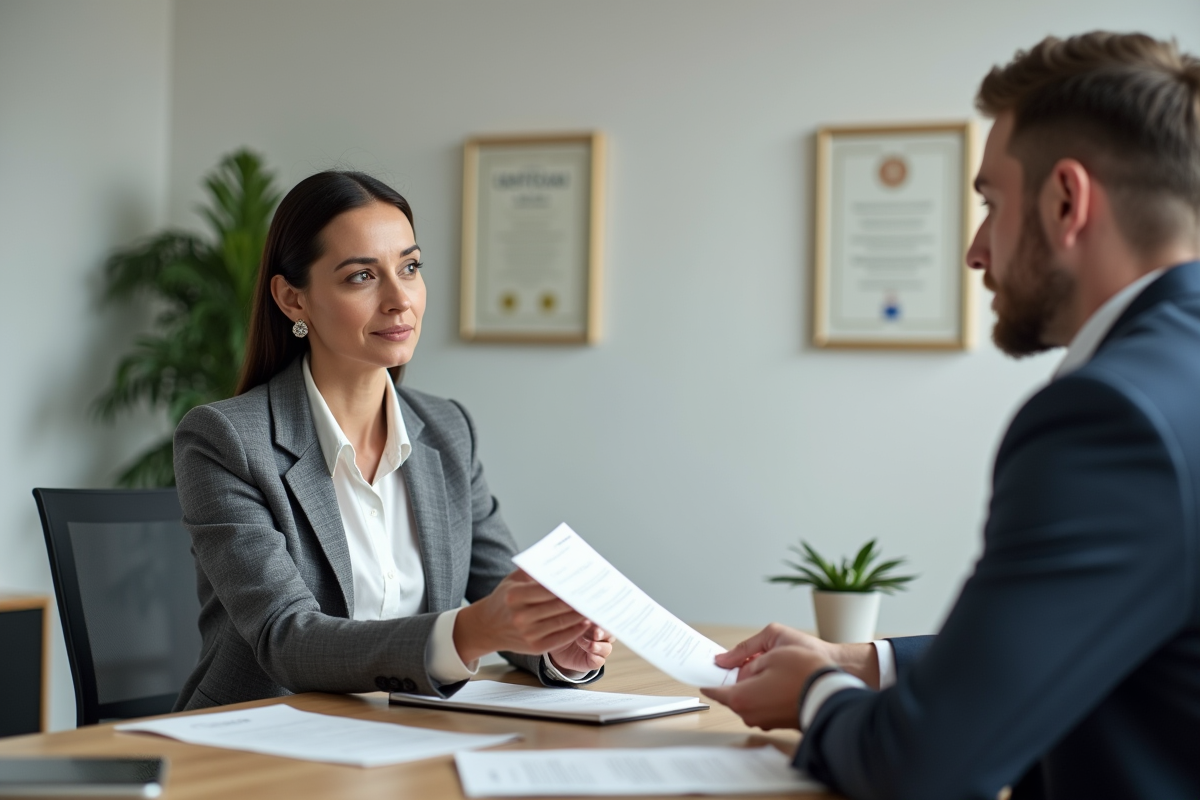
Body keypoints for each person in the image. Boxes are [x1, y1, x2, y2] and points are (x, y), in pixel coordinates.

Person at [702, 31, 1200, 800]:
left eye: (990, 203)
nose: (975, 249)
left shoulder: (1110, 417)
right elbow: (1114, 627)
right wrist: (862, 663)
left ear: (1067, 201)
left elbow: (922, 768)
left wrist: (813, 696)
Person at [172, 171, 612, 710]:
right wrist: (467, 633)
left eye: (410, 267)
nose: (400, 299)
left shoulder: (447, 429)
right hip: (262, 746)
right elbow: (285, 639)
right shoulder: (227, 441)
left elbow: (502, 594)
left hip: (407, 736)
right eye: (361, 276)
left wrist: (553, 645)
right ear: (293, 300)